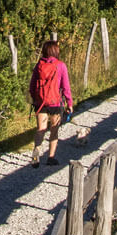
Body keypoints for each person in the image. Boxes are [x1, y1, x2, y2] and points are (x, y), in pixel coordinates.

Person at [29, 40, 73, 168]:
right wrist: (69, 103)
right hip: (55, 102)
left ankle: (36, 149)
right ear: (56, 51)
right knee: (54, 130)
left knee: (41, 129)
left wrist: (35, 98)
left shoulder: (39, 65)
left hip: (40, 102)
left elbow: (32, 86)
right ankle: (51, 157)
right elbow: (66, 87)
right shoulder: (61, 66)